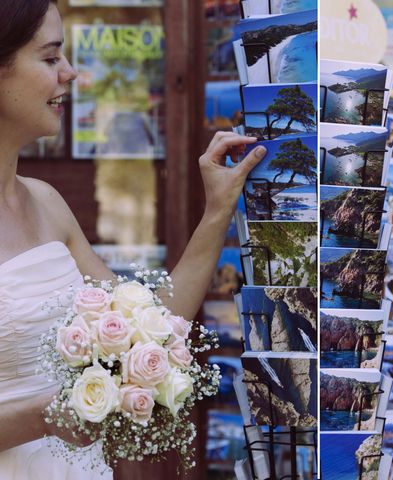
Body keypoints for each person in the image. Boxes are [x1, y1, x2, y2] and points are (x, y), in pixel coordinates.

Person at [0, 1, 266, 478]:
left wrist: (218, 210)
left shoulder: (46, 203)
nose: (71, 73)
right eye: (50, 57)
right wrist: (42, 416)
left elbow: (153, 325)